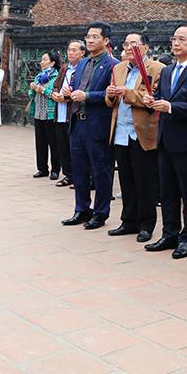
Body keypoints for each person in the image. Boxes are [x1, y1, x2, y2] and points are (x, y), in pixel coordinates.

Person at [144, 26, 187, 253]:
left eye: (181, 39)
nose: (175, 43)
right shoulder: (168, 71)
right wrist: (152, 100)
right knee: (167, 191)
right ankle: (169, 234)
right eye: (174, 39)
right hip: (165, 139)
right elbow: (160, 97)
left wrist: (170, 107)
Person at [106, 33, 164, 242]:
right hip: (121, 131)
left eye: (134, 44)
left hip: (142, 131)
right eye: (126, 44)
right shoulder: (118, 68)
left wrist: (127, 93)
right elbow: (110, 100)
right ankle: (128, 220)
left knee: (145, 181)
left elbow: (153, 99)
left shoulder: (157, 69)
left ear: (146, 48)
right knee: (125, 179)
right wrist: (111, 93)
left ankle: (146, 225)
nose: (129, 47)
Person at [61, 22, 117, 230]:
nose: (90, 40)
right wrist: (68, 93)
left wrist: (88, 96)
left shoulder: (113, 64)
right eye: (88, 37)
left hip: (98, 124)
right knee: (79, 169)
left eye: (95, 37)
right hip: (78, 122)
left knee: (101, 170)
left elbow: (112, 94)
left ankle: (101, 212)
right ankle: (81, 209)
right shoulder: (83, 63)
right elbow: (77, 88)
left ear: (106, 40)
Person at [51, 41, 85, 186]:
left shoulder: (84, 69)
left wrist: (67, 97)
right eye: (69, 50)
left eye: (74, 50)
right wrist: (55, 94)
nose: (70, 53)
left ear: (82, 52)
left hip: (74, 114)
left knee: (75, 148)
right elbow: (56, 86)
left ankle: (80, 176)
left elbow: (82, 91)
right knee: (63, 146)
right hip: (60, 113)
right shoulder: (64, 68)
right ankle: (68, 174)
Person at [29, 52, 61, 178]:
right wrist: (32, 88)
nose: (41, 62)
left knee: (54, 143)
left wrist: (42, 90)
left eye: (44, 60)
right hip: (38, 113)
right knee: (40, 143)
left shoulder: (56, 77)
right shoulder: (39, 76)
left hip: (50, 114)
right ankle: (42, 168)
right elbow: (31, 95)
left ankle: (55, 169)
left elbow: (54, 95)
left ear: (52, 63)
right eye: (41, 60)